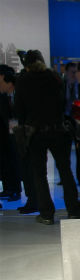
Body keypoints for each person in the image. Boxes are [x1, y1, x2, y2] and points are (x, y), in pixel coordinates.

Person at [14, 50, 80, 225]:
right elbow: (63, 102)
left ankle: (47, 214)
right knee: (65, 171)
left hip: (35, 132)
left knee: (40, 174)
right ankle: (73, 210)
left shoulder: (23, 80)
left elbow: (19, 108)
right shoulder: (53, 77)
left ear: (27, 65)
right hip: (58, 130)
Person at [0, 65, 22, 202]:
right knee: (5, 161)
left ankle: (15, 189)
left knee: (12, 160)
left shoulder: (10, 93)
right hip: (4, 132)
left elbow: (10, 114)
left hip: (10, 131)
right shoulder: (3, 93)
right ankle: (9, 188)